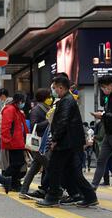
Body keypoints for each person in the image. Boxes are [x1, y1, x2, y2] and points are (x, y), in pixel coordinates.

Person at [36, 75, 98, 208]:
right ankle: (90, 196)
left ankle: (52, 196)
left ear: (61, 87)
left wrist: (55, 139)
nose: (53, 91)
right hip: (70, 141)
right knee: (72, 171)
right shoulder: (66, 100)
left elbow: (62, 122)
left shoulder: (66, 101)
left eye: (54, 88)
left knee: (53, 168)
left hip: (65, 142)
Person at [19, 88, 51, 198]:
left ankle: (24, 190)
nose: (50, 99)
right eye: (49, 97)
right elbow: (34, 126)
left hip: (43, 143)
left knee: (34, 168)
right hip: (38, 144)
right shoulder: (37, 109)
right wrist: (49, 121)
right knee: (50, 167)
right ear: (44, 98)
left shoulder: (47, 108)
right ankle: (55, 189)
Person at [91, 75, 112, 189]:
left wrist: (103, 115)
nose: (103, 90)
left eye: (104, 87)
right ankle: (92, 187)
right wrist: (103, 114)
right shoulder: (109, 97)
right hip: (109, 134)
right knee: (101, 160)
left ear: (111, 85)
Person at [0, 92, 28, 192]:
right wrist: (7, 140)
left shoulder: (16, 110)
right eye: (23, 101)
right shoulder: (10, 110)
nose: (24, 103)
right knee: (18, 163)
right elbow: (5, 127)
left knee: (18, 163)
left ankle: (14, 183)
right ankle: (5, 179)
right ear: (19, 101)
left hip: (18, 142)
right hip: (14, 142)